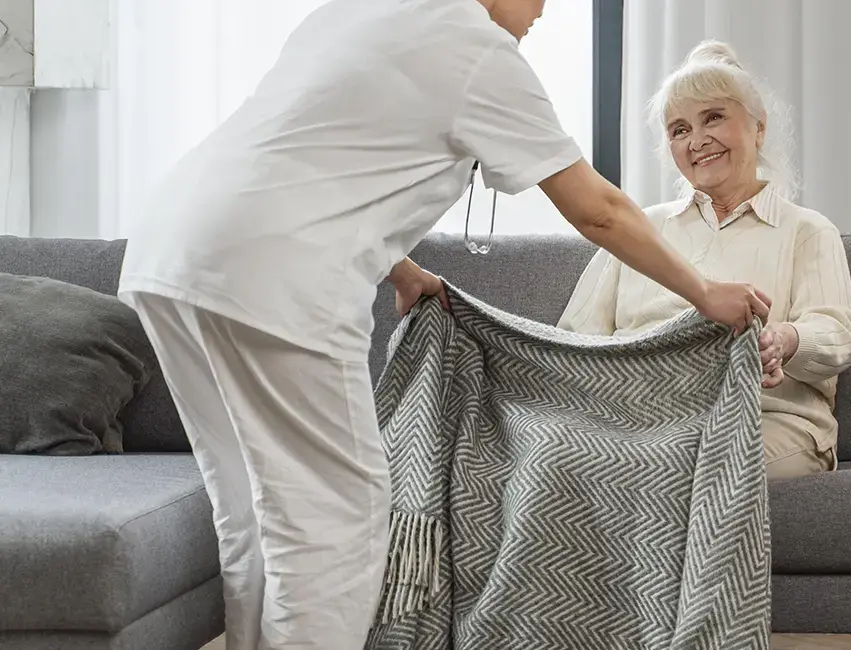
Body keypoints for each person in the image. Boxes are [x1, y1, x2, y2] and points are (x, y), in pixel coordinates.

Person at [115, 2, 772, 649]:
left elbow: (309, 161)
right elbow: (595, 208)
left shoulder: (361, 13)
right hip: (275, 278)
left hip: (172, 252)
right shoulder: (477, 48)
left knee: (251, 510)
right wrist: (703, 290)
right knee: (338, 526)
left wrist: (400, 270)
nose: (545, 8)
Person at [558, 40, 851, 480]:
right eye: (679, 130)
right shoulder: (640, 230)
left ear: (758, 127)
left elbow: (838, 337)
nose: (697, 140)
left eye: (713, 117)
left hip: (765, 420)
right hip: (642, 422)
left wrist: (784, 339)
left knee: (677, 465)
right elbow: (575, 339)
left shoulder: (807, 230)